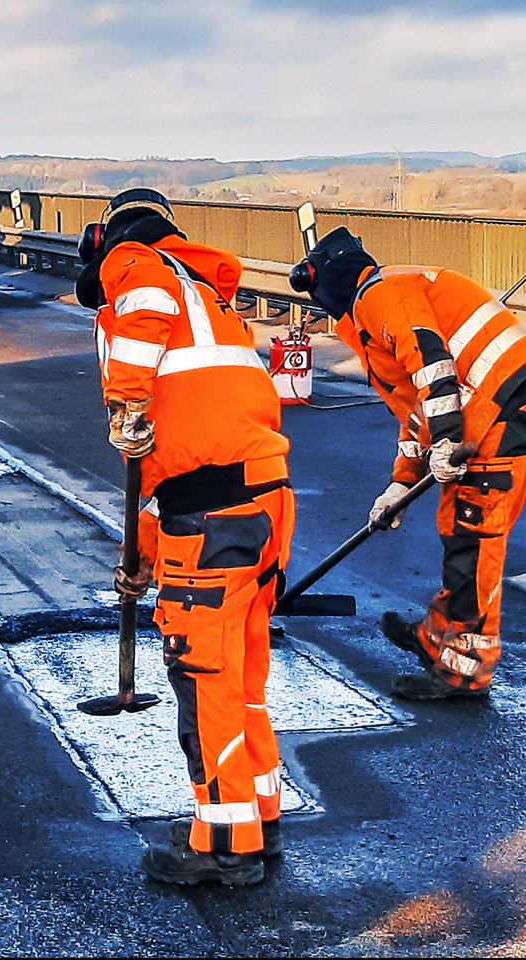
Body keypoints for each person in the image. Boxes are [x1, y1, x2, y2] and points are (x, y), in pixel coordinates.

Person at [77, 188, 296, 887]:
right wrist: (139, 558)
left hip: (212, 516)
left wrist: (128, 397)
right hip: (262, 499)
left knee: (203, 679)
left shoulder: (138, 265)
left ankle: (224, 846)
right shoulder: (209, 297)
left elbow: (142, 313)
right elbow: (171, 465)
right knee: (243, 674)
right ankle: (259, 820)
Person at [290, 227, 526, 699]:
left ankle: (464, 670)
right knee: (458, 529)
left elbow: (431, 361)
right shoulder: (381, 301)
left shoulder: (380, 295)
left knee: (473, 538)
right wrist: (400, 485)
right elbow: (417, 408)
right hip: (487, 408)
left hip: (502, 408)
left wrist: (446, 440)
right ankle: (437, 635)